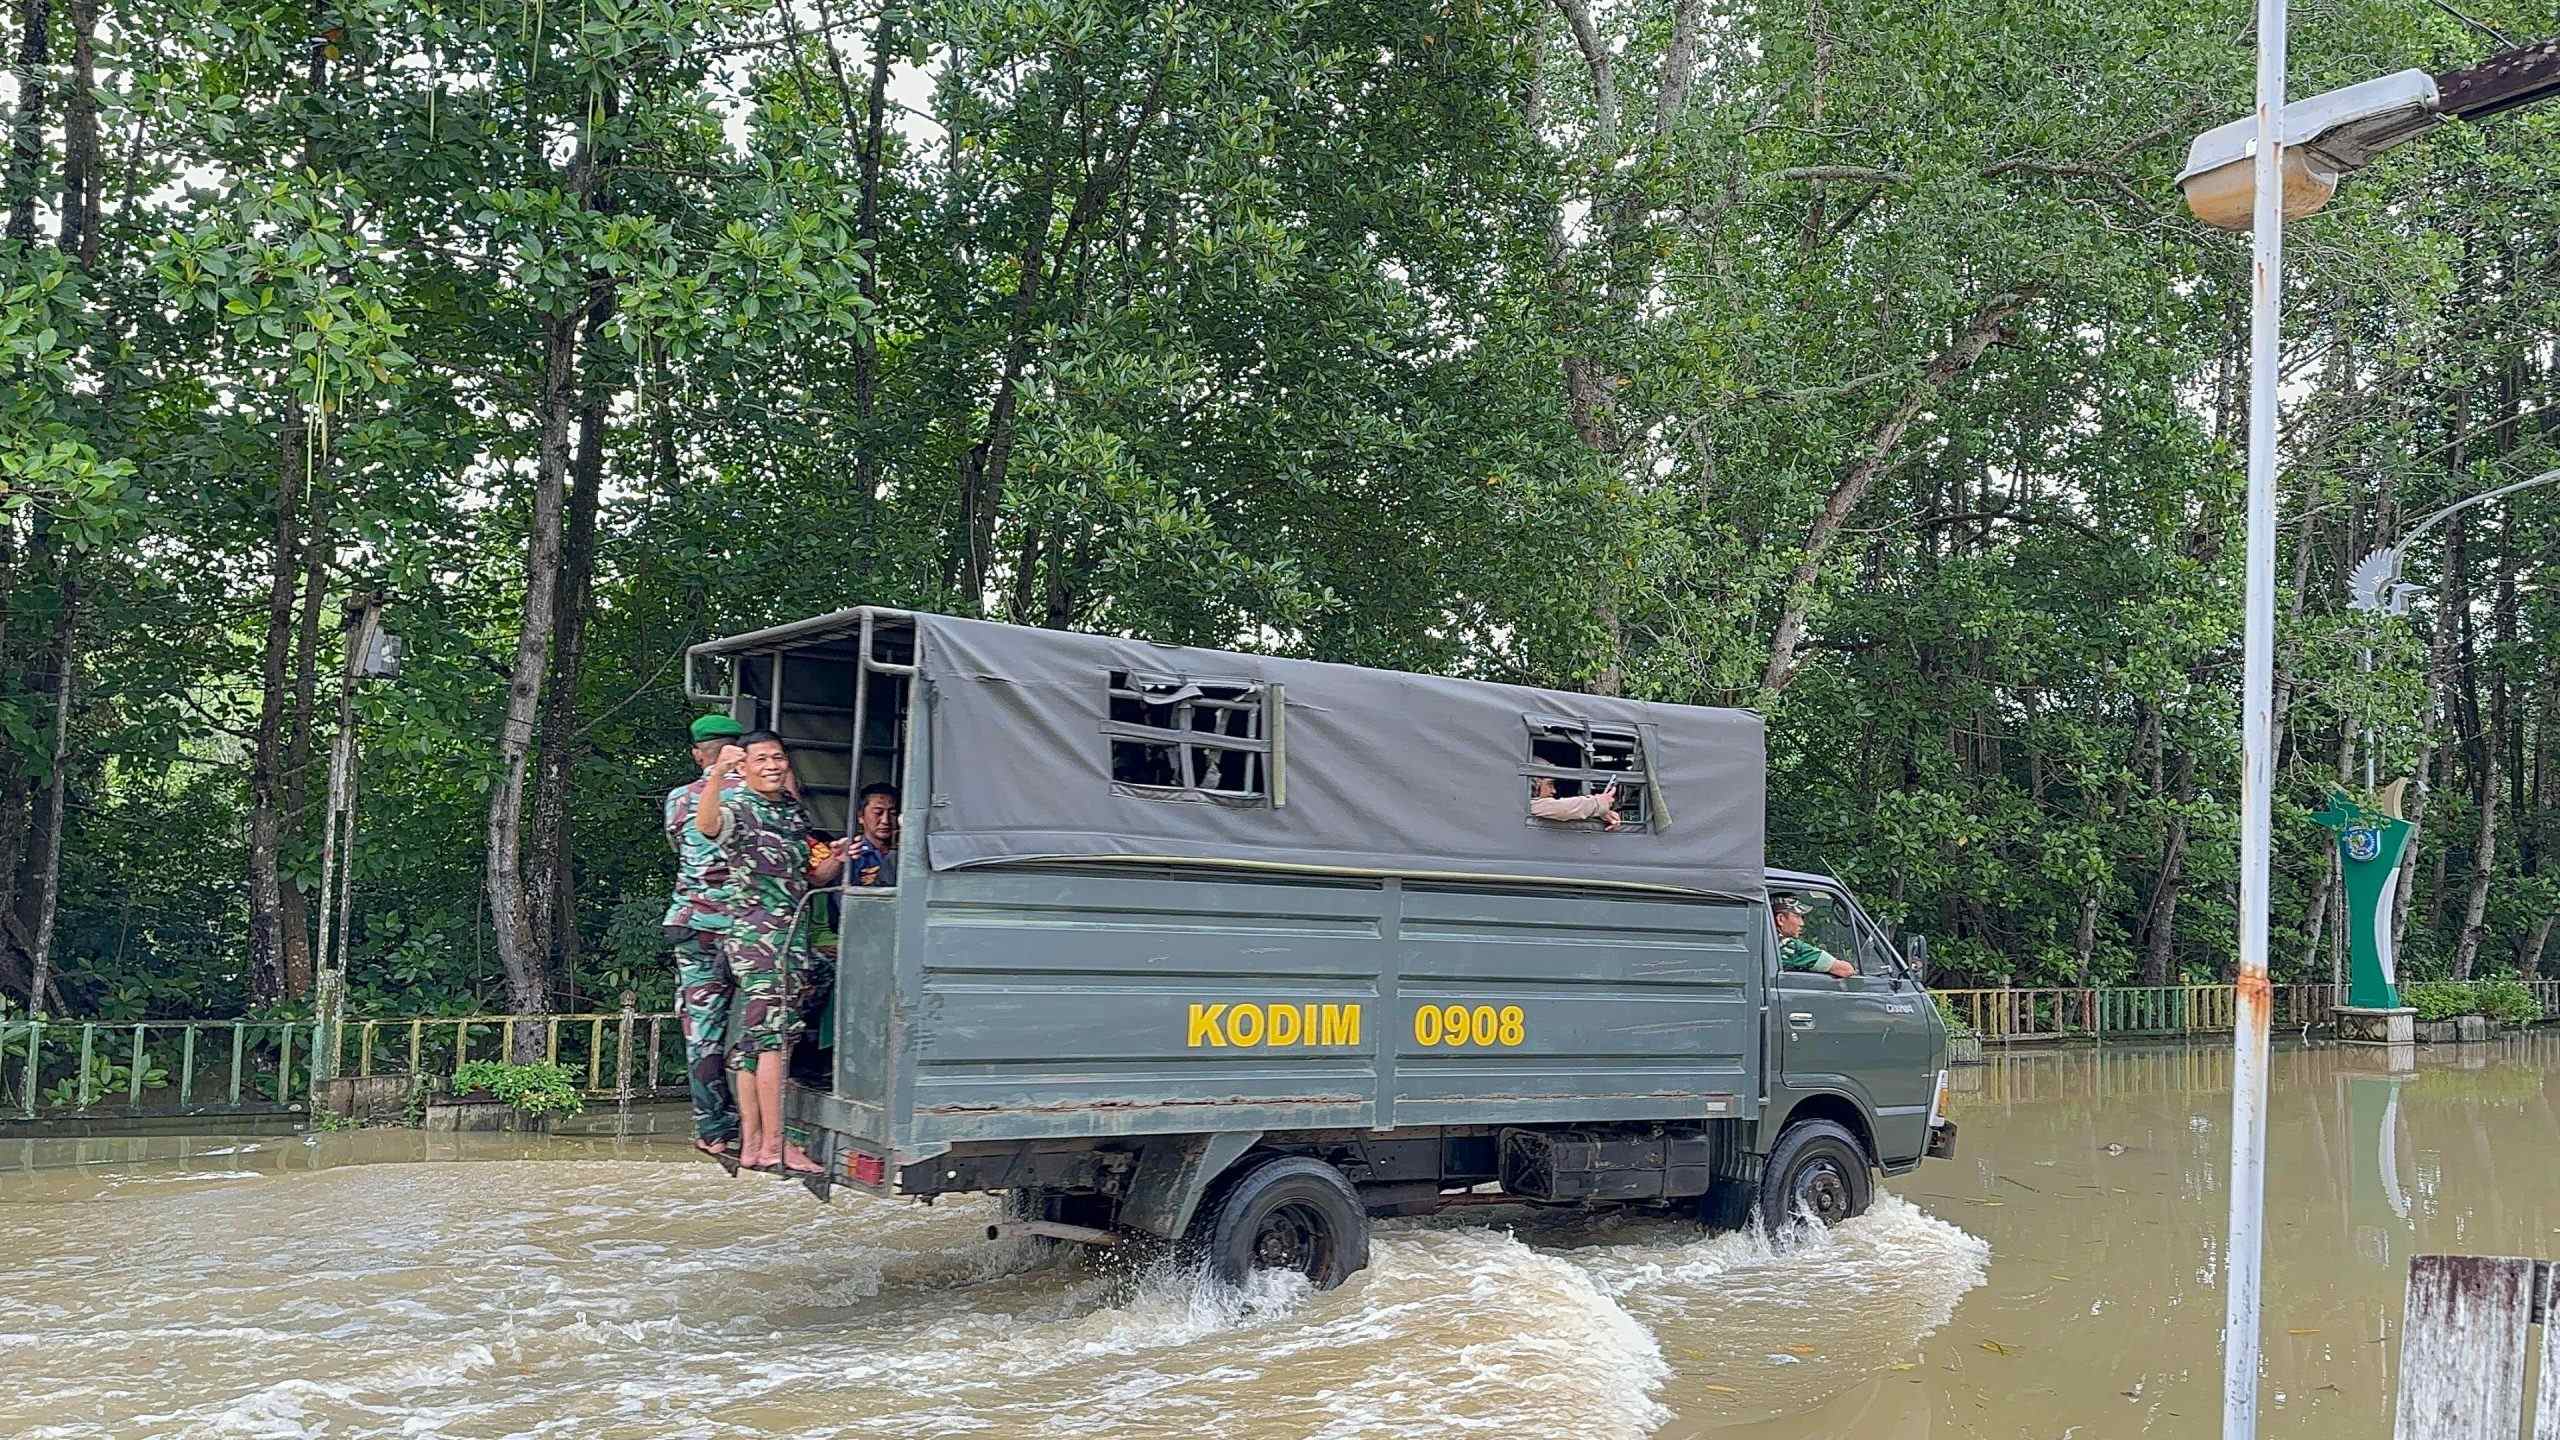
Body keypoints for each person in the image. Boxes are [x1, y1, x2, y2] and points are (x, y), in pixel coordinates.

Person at [696, 730, 844, 1175]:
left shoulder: (791, 813)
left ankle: (753, 1145)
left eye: (778, 757)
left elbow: (814, 876)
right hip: (761, 944)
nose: (772, 766)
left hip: (790, 940)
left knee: (753, 1045)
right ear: (745, 766)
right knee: (774, 1044)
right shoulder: (740, 806)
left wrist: (837, 856)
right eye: (761, 759)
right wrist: (717, 776)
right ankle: (775, 1145)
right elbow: (708, 826)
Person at [663, 714, 745, 1161]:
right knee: (763, 1023)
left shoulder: (679, 799)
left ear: (699, 753)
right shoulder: (752, 795)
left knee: (703, 1033)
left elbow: (683, 846)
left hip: (692, 927)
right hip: (744, 930)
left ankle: (714, 1129)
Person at [1775, 895, 1855, 979]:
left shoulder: (1767, 941)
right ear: (1781, 919)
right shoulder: (1790, 946)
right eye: (1797, 916)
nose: (1802, 923)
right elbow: (1846, 970)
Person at [849, 782, 900, 886]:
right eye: (878, 812)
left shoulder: (906, 854)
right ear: (860, 816)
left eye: (893, 813)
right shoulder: (853, 853)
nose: (885, 820)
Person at [1529, 775, 1622, 831]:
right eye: (1549, 784)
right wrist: (1599, 803)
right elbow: (1562, 809)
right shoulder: (1528, 803)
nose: (1554, 791)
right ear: (1533, 784)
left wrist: (1601, 813)